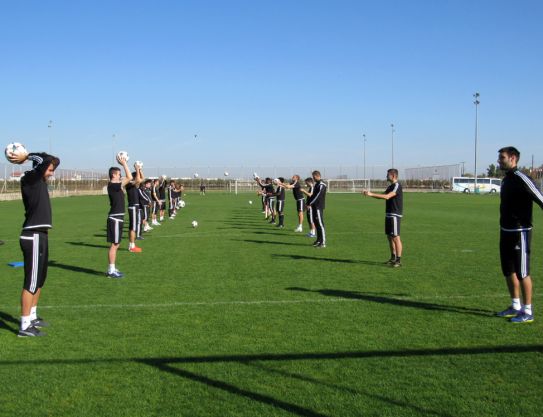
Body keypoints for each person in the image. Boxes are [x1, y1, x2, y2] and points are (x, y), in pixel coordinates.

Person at [6, 149, 60, 337]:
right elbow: (44, 159)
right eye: (50, 170)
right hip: (32, 235)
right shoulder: (30, 177)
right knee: (31, 282)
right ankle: (24, 325)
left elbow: (53, 159)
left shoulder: (39, 178)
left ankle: (33, 317)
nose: (52, 173)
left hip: (41, 235)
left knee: (39, 280)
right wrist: (26, 156)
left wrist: (47, 162)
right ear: (40, 168)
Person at [495, 146, 543, 323]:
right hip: (505, 231)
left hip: (520, 232)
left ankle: (527, 311)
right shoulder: (506, 180)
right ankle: (515, 305)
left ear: (513, 158)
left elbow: (540, 197)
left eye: (502, 158)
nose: (499, 161)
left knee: (522, 272)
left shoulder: (522, 178)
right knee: (509, 271)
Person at [363, 168, 403, 267]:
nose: (386, 176)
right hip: (388, 214)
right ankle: (393, 257)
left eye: (388, 175)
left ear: (393, 176)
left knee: (396, 237)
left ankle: (398, 260)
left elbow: (388, 196)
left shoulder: (397, 186)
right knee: (390, 237)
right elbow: (383, 195)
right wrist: (369, 194)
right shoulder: (390, 186)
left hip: (394, 215)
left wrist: (371, 193)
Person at [106, 154, 132, 278]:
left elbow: (128, 178)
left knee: (117, 244)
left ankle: (113, 268)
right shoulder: (112, 185)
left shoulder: (117, 186)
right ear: (113, 175)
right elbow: (129, 177)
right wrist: (124, 164)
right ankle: (111, 270)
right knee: (114, 244)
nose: (120, 175)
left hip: (118, 217)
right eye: (118, 173)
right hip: (115, 218)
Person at [125, 163, 144, 252]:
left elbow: (142, 179)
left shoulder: (135, 183)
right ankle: (132, 247)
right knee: (133, 227)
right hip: (132, 206)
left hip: (135, 207)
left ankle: (132, 245)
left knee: (133, 226)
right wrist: (137, 169)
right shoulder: (129, 183)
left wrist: (139, 170)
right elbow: (138, 180)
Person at [306, 171, 327, 247]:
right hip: (314, 207)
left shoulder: (322, 185)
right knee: (317, 224)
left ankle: (323, 242)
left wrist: (310, 203)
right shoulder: (316, 184)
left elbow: (317, 196)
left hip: (318, 207)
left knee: (320, 224)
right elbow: (313, 195)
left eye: (314, 177)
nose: (313, 178)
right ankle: (318, 240)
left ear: (317, 176)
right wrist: (308, 203)